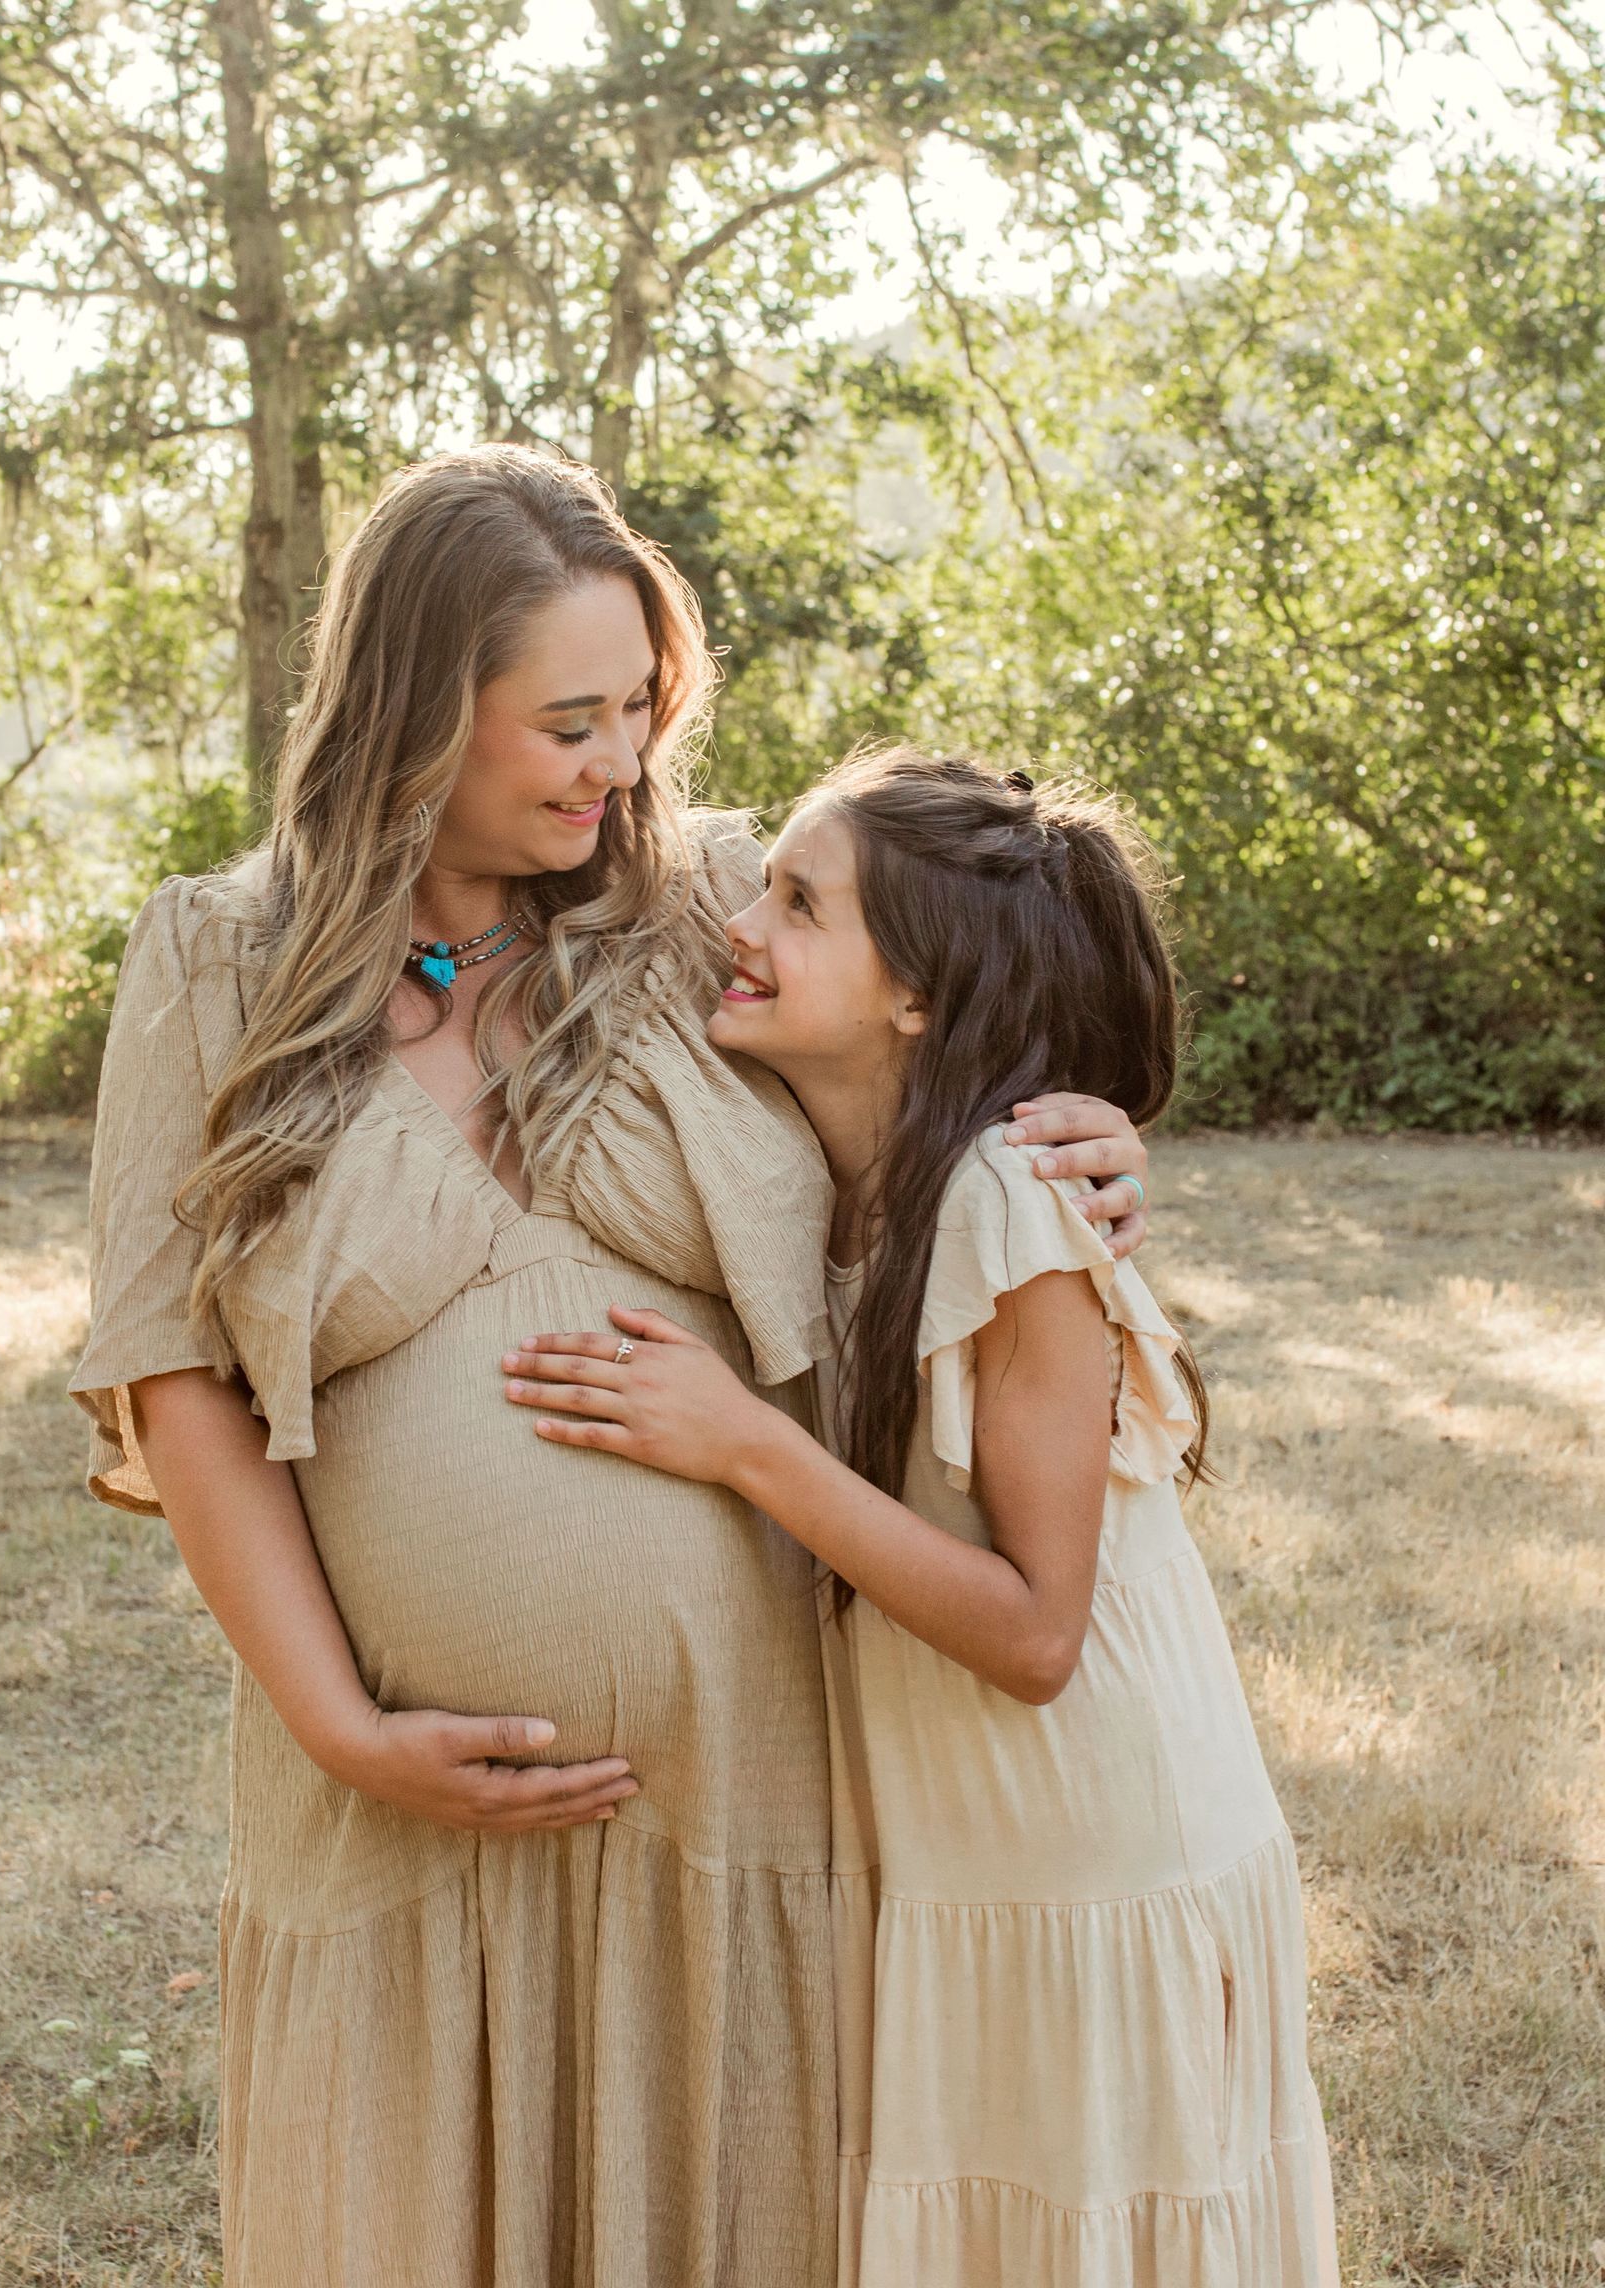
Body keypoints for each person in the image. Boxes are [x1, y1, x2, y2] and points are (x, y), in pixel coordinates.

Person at [68, 451, 1154, 2287]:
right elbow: (177, 1381)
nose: (621, 763)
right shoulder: (214, 957)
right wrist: (346, 1729)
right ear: (420, 713)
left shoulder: (720, 906)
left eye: (641, 709)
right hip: (395, 1820)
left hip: (746, 1799)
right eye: (569, 721)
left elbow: (996, 990)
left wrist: (1102, 1127)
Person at [502, 744, 1340, 2286]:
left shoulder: (1003, 1206)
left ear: (917, 1000)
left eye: (802, 905)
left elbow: (1036, 1635)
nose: (744, 923)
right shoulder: (860, 1189)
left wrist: (746, 1448)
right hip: (987, 1861)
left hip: (1097, 1855)